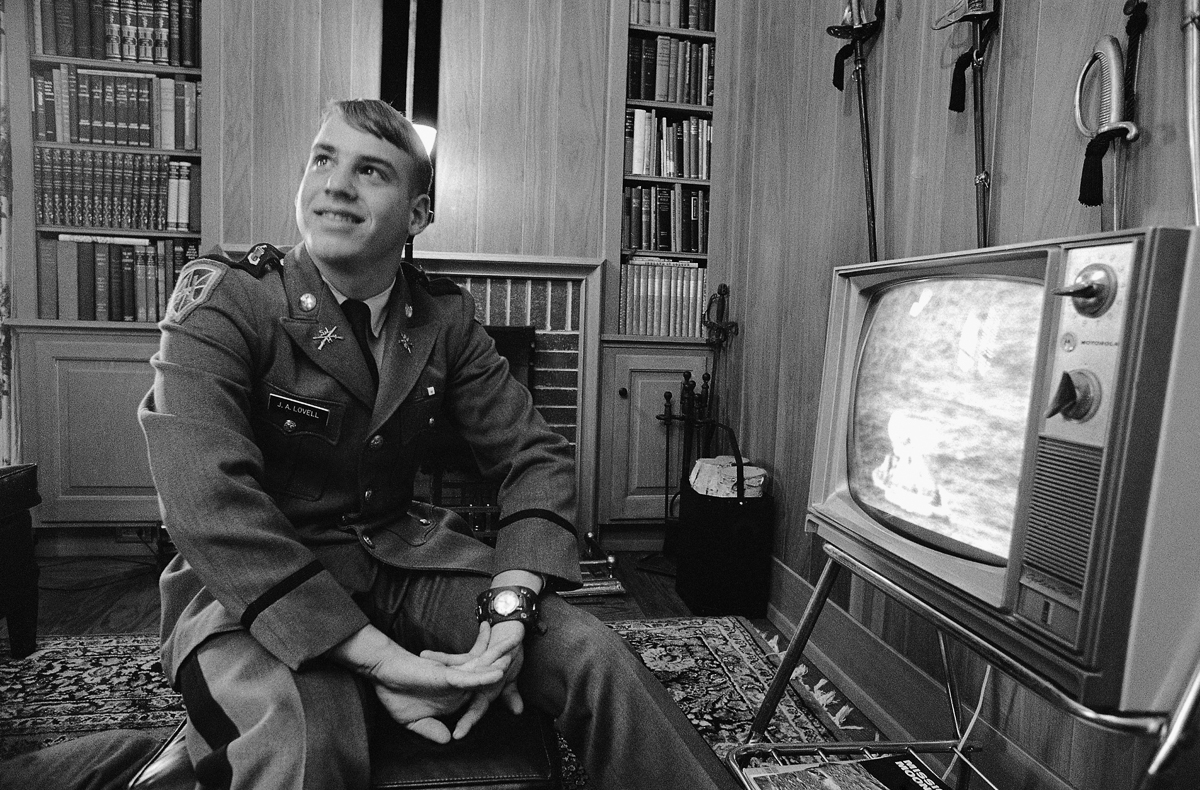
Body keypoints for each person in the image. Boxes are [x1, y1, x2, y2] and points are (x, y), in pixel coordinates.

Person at [136, 98, 739, 790]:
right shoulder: (225, 298)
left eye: (370, 171)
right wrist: (384, 661)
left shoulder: (442, 317)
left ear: (417, 215)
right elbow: (207, 504)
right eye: (323, 160)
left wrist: (511, 608)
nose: (335, 184)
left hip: (396, 559)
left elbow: (535, 458)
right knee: (308, 739)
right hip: (245, 587)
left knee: (592, 655)